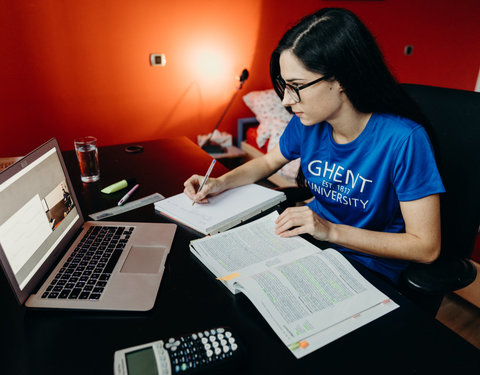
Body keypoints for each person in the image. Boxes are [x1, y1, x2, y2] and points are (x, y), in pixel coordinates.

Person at [184, 8, 444, 285]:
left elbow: (426, 248)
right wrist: (219, 183)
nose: (286, 100)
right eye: (284, 86)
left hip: (365, 266)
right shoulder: (307, 123)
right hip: (309, 245)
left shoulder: (403, 140)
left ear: (342, 79)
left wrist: (329, 230)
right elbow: (268, 163)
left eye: (297, 85)